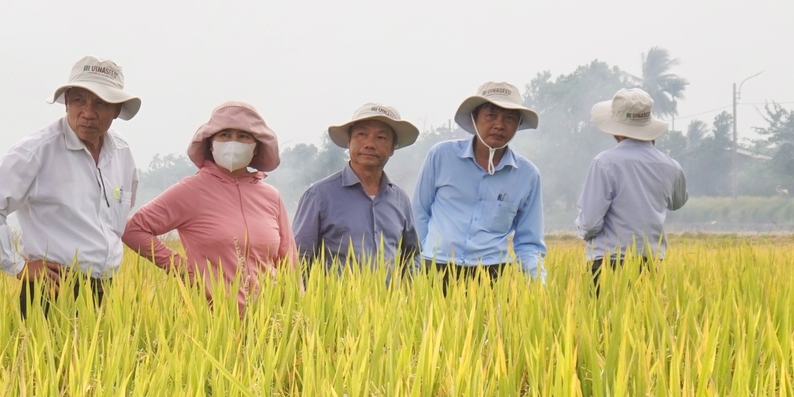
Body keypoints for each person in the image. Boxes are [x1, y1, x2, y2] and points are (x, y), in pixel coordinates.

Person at [0, 56, 141, 313]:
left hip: (105, 289)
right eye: (79, 100)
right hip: (52, 289)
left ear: (116, 110)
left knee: (102, 353)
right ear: (66, 102)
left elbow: (118, 216)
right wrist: (18, 266)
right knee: (49, 354)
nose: (88, 113)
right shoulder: (38, 150)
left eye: (101, 103)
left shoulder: (121, 152)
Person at [122, 101, 295, 305]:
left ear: (256, 147)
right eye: (225, 135)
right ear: (211, 144)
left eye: (243, 136)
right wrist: (187, 273)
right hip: (212, 321)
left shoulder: (270, 196)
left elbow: (288, 258)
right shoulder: (192, 190)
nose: (233, 143)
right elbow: (134, 230)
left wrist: (296, 308)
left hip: (270, 320)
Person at [413, 81, 546, 284]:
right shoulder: (441, 156)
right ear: (474, 118)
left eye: (509, 118)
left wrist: (538, 285)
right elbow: (419, 214)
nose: (499, 125)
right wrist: (420, 262)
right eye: (491, 115)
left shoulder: (527, 175)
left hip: (492, 274)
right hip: (436, 267)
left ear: (518, 124)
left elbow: (529, 242)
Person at [576, 87, 688, 289]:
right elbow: (677, 202)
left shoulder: (605, 163)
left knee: (603, 319)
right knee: (644, 318)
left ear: (616, 130)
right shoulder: (671, 166)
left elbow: (590, 223)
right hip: (651, 262)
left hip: (608, 262)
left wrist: (583, 232)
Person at [293, 102, 421, 273]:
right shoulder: (319, 196)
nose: (369, 144)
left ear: (392, 148)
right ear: (349, 142)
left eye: (381, 137)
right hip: (334, 299)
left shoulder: (400, 199)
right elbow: (299, 258)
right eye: (362, 134)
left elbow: (411, 257)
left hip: (389, 300)